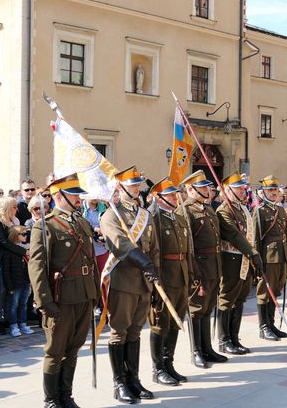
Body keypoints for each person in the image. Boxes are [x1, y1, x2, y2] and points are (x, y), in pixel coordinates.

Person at [28, 173, 100, 408]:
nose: (79, 200)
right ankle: (51, 400)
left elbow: (90, 261)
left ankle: (66, 396)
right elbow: (37, 266)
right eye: (74, 196)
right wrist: (44, 301)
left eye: (79, 196)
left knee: (74, 348)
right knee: (55, 351)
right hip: (61, 297)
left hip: (84, 295)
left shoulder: (81, 222)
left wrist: (96, 294)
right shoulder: (45, 225)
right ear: (60, 196)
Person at [100, 166, 158, 403]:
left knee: (135, 332)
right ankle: (119, 382)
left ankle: (133, 379)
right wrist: (144, 262)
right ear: (119, 187)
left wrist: (155, 277)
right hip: (123, 282)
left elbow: (154, 247)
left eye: (138, 184)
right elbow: (119, 244)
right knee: (119, 332)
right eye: (132, 185)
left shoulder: (145, 214)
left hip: (144, 283)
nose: (136, 188)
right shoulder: (111, 216)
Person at [180, 170, 228, 368]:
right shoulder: (185, 211)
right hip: (199, 266)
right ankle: (196, 351)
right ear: (190, 190)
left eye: (208, 187)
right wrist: (193, 271)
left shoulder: (208, 209)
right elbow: (187, 245)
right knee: (196, 309)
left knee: (208, 308)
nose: (208, 190)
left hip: (213, 264)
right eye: (203, 187)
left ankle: (207, 348)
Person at [148, 178, 191, 386]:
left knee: (176, 322)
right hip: (165, 276)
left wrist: (190, 274)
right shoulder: (154, 219)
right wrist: (156, 283)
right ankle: (158, 369)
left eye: (176, 194)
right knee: (160, 323)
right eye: (171, 195)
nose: (176, 197)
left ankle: (168, 363)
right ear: (159, 198)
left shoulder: (179, 218)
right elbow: (153, 252)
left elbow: (187, 251)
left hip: (181, 276)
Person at [216, 173, 263, 355]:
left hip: (245, 260)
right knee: (227, 299)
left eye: (243, 188)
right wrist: (253, 253)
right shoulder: (224, 211)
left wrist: (252, 254)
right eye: (238, 188)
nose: (243, 191)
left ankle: (234, 338)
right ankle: (224, 340)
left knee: (240, 299)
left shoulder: (242, 209)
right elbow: (235, 236)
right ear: (227, 191)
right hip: (232, 260)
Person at [254, 175, 287, 340]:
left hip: (281, 255)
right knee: (264, 292)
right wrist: (257, 260)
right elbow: (255, 238)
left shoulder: (280, 209)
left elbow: (285, 235)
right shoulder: (259, 211)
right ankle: (263, 327)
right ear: (263, 192)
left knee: (276, 290)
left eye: (275, 189)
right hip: (267, 257)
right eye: (270, 190)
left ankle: (271, 324)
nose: (274, 192)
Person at [0, 196, 23, 334]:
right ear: (6, 207)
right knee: (1, 289)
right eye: (14, 207)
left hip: (13, 260)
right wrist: (23, 251)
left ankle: (9, 319)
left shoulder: (14, 221)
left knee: (12, 289)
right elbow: (3, 242)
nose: (16, 209)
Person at [3, 225, 33, 337]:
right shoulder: (10, 251)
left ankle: (23, 324)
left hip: (25, 281)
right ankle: (13, 326)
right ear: (16, 235)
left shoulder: (26, 249)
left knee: (23, 304)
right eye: (23, 234)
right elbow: (6, 270)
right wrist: (9, 286)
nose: (26, 236)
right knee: (13, 305)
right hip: (15, 283)